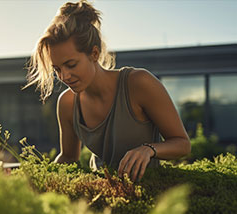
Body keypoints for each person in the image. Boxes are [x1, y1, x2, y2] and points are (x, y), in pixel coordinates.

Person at [24, 0, 191, 181]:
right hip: (99, 193)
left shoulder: (139, 83)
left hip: (149, 193)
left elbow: (182, 144)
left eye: (71, 65)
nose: (64, 76)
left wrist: (148, 149)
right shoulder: (67, 103)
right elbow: (68, 158)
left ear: (94, 54)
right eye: (57, 69)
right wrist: (37, 179)